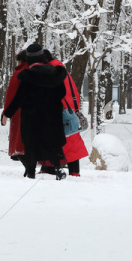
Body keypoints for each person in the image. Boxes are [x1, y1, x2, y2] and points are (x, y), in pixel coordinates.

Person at [1, 43, 68, 180]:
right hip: (52, 116)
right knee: (52, 143)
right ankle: (58, 168)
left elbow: (18, 99)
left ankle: (30, 172)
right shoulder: (55, 74)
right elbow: (62, 92)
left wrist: (7, 114)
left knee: (31, 144)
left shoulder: (28, 76)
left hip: (32, 117)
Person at [40, 49, 88, 177]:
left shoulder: (52, 70)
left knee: (56, 139)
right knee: (71, 141)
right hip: (69, 109)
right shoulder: (60, 68)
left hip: (61, 109)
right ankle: (74, 171)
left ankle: (49, 168)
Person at [3, 49, 29, 161]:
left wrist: (6, 113)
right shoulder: (39, 72)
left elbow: (11, 95)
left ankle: (23, 159)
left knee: (19, 137)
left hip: (18, 110)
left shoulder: (19, 74)